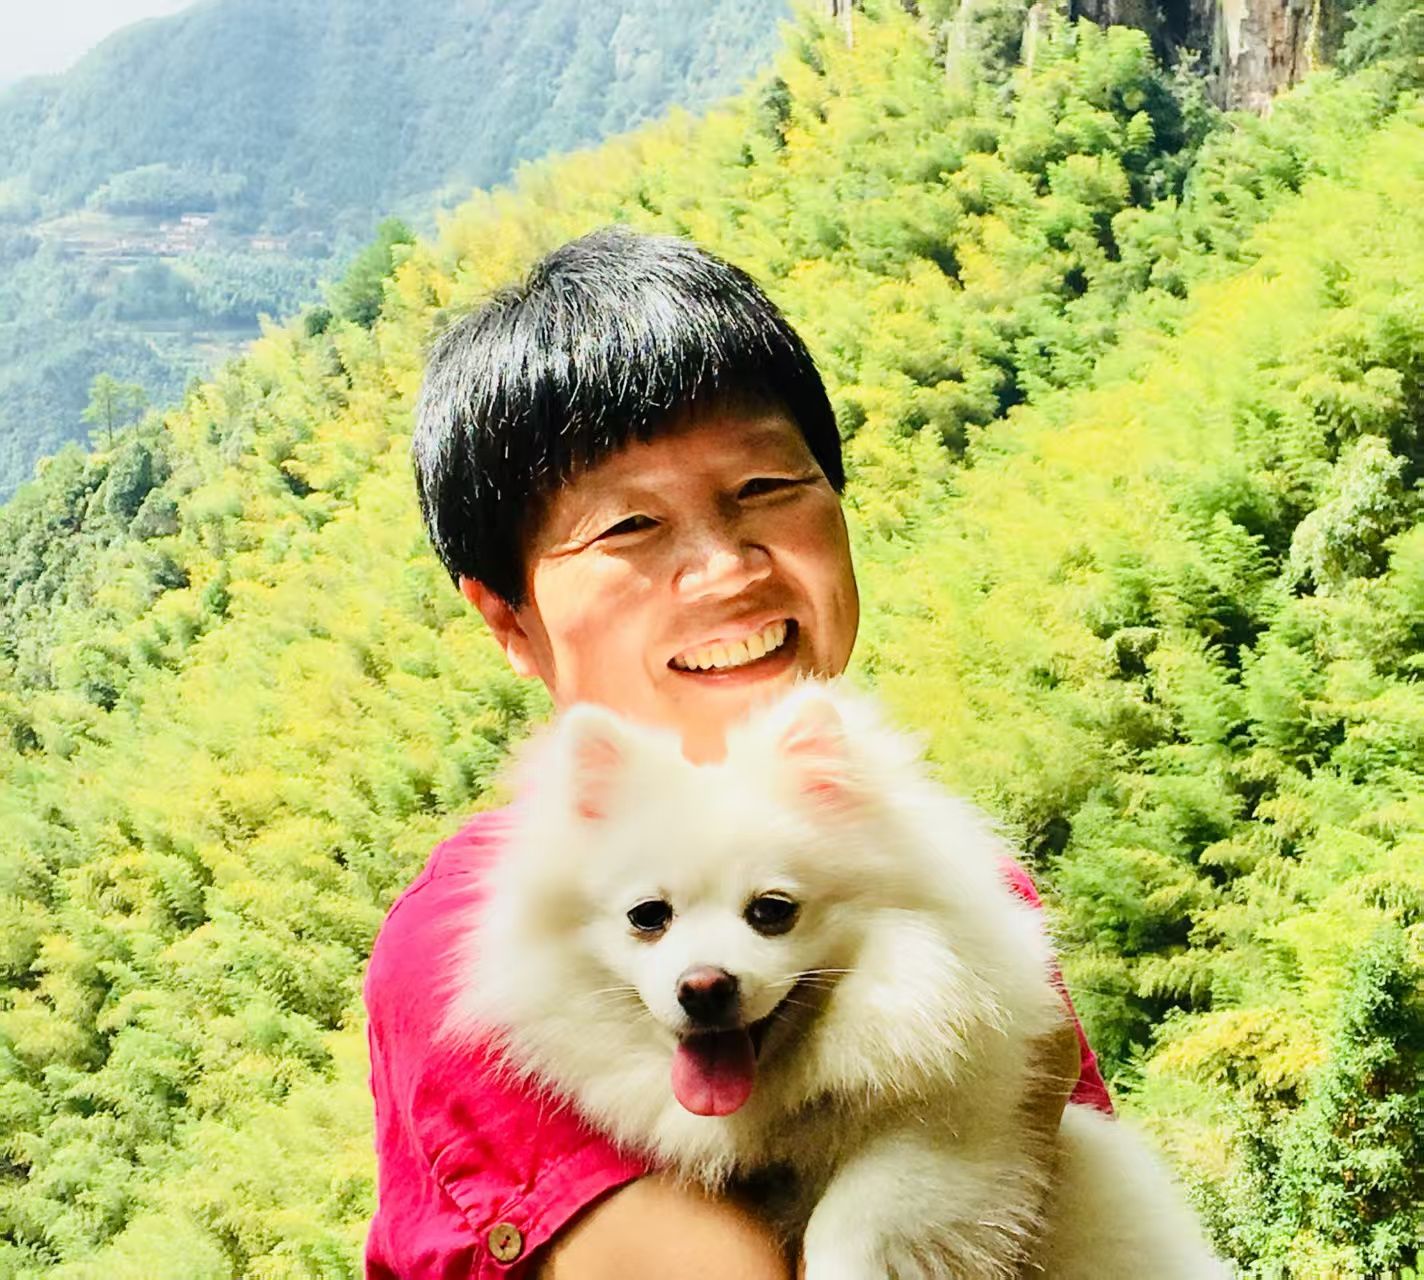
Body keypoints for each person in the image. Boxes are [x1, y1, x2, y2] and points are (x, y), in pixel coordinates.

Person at [364, 226, 1112, 1279]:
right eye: (629, 527)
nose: (725, 568)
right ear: (510, 619)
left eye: (765, 488)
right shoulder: (483, 948)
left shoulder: (924, 866)